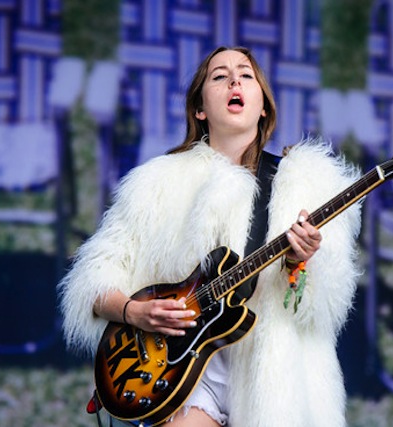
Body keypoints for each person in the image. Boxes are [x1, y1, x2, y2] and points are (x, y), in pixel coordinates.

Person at [58, 46, 363, 427]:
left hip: (276, 374)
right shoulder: (157, 183)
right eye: (220, 76)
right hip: (180, 371)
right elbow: (95, 278)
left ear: (263, 107)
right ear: (199, 109)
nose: (235, 80)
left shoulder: (307, 184)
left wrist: (298, 263)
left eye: (246, 75)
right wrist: (134, 312)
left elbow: (327, 304)